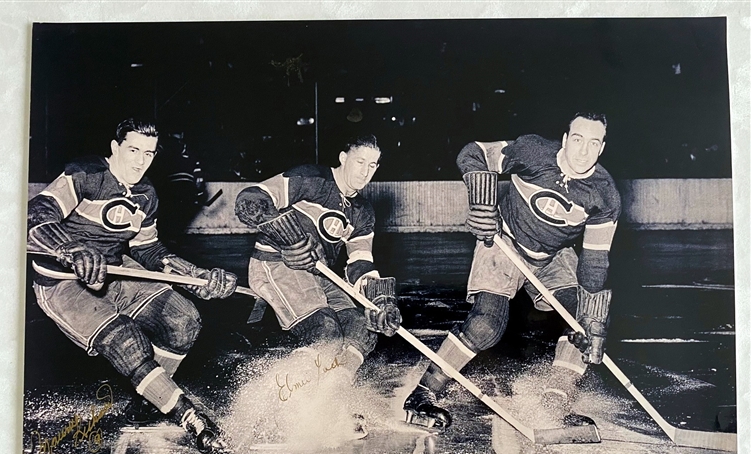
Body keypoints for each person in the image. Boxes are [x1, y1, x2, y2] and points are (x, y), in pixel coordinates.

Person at [26, 117, 238, 453]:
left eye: (149, 153)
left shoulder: (146, 194)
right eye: (133, 150)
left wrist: (195, 275)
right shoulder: (86, 174)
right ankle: (189, 417)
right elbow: (35, 214)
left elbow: (148, 249)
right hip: (62, 281)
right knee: (128, 341)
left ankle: (154, 397)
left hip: (115, 269)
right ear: (115, 148)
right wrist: (72, 249)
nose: (140, 161)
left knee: (183, 321)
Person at [402, 112, 621, 429]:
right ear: (564, 140)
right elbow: (473, 152)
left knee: (583, 320)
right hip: (504, 241)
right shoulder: (533, 152)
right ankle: (423, 394)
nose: (583, 152)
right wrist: (481, 202)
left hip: (554, 256)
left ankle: (554, 406)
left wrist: (590, 314)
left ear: (601, 148)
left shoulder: (605, 194)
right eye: (577, 140)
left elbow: (595, 259)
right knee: (487, 325)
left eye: (593, 143)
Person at [234, 134, 401, 380]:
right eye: (360, 162)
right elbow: (251, 199)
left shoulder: (363, 212)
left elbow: (360, 263)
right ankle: (282, 397)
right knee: (325, 332)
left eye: (372, 165)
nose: (365, 172)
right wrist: (289, 240)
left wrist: (381, 300)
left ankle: (333, 394)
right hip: (277, 264)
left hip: (320, 273)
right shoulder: (311, 178)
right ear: (344, 158)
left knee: (361, 329)